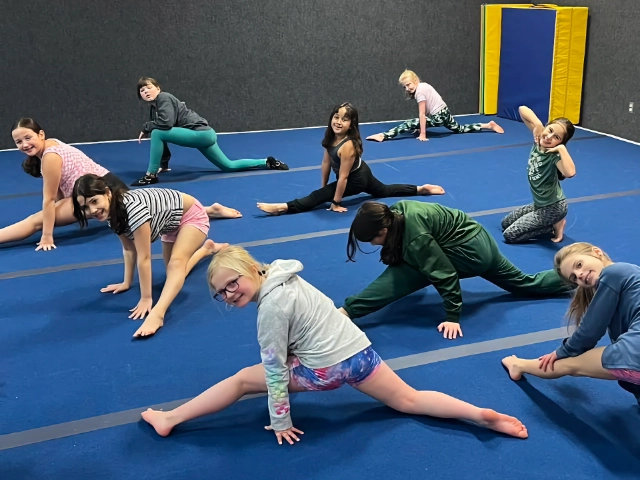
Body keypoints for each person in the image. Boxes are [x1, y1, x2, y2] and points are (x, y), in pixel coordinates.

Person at [140, 245, 529, 444]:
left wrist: (281, 419)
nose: (228, 294)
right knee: (409, 399)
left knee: (243, 379)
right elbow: (320, 314)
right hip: (359, 352)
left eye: (232, 283)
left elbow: (275, 369)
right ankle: (479, 414)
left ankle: (170, 419)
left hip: (326, 369)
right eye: (220, 293)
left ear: (250, 270)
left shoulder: (270, 310)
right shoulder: (287, 276)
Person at [339, 200, 574, 339]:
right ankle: (577, 278)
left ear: (384, 230)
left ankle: (349, 311)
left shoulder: (415, 238)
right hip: (481, 240)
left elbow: (444, 274)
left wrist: (452, 316)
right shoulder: (396, 211)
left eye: (373, 239)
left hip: (470, 254)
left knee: (404, 274)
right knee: (525, 283)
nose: (372, 245)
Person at [72, 174, 239, 337]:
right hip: (169, 223)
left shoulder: (133, 210)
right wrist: (126, 282)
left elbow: (144, 258)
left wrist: (147, 298)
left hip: (191, 217)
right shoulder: (111, 212)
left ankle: (158, 315)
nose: (92, 210)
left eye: (94, 201)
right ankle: (206, 250)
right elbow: (129, 250)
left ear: (107, 193)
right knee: (173, 275)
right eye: (85, 207)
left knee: (176, 264)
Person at [502, 242, 640, 405]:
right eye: (574, 278)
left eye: (579, 265)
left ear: (597, 252)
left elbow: (590, 330)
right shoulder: (631, 272)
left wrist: (565, 351)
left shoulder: (614, 273)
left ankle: (519, 365)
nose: (579, 274)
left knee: (569, 364)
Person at [257, 102, 444, 215]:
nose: (338, 122)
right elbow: (326, 162)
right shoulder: (331, 136)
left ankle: (283, 207)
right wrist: (324, 189)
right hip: (362, 171)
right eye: (336, 117)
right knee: (383, 191)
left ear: (351, 125)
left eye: (344, 120)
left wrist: (335, 202)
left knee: (318, 197)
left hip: (357, 178)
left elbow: (344, 178)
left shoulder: (347, 146)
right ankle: (421, 189)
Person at [132, 77, 289, 186]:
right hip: (202, 134)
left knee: (157, 132)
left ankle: (150, 176)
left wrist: (147, 127)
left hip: (200, 134)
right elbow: (163, 130)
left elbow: (165, 124)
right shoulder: (154, 109)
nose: (146, 91)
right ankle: (267, 161)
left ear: (158, 88)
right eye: (142, 90)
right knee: (229, 166)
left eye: (149, 87)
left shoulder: (164, 98)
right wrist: (164, 164)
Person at [1, 118, 127, 251]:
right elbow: (59, 191)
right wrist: (60, 212)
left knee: (35, 221)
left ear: (41, 134)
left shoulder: (50, 157)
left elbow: (49, 199)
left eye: (28, 138)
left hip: (101, 193)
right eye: (19, 142)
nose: (25, 145)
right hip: (111, 186)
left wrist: (47, 235)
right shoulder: (52, 143)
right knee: (46, 216)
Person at [501, 106, 577, 244]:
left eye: (556, 137)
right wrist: (537, 124)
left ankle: (553, 224)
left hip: (554, 207)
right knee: (505, 223)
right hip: (539, 204)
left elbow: (570, 173)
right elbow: (522, 109)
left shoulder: (554, 156)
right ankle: (552, 222)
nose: (549, 137)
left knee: (510, 234)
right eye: (550, 130)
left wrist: (561, 149)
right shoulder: (538, 137)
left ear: (560, 142)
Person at [366, 70, 503, 143]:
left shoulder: (419, 92)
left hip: (439, 115)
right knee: (460, 129)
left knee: (409, 123)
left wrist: (423, 133)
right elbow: (429, 107)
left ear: (415, 80)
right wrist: (420, 125)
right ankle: (487, 125)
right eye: (405, 87)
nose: (407, 88)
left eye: (409, 85)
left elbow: (422, 114)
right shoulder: (423, 85)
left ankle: (384, 135)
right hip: (445, 112)